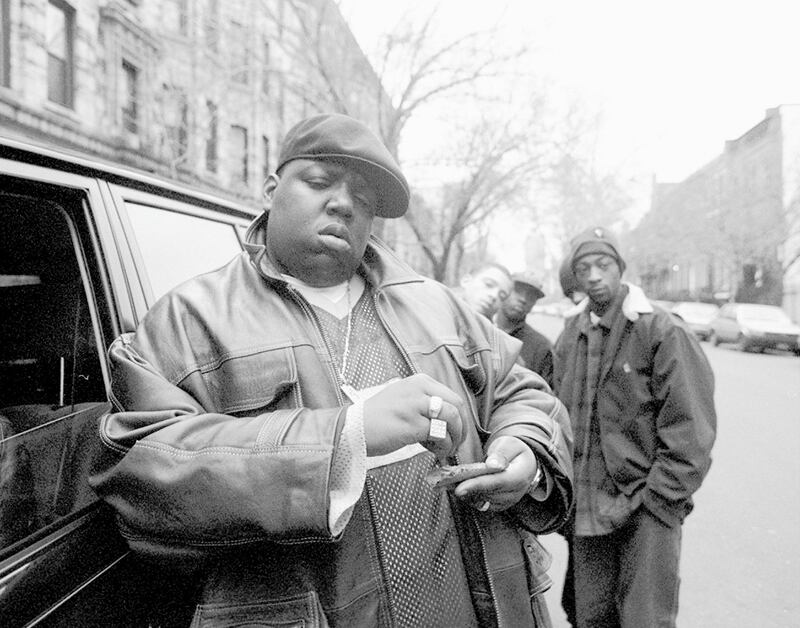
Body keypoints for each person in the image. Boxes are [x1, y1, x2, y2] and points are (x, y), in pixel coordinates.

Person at [90, 113, 574, 627]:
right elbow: (142, 471)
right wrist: (346, 437)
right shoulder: (189, 320)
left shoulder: (436, 304)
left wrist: (524, 450)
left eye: (362, 200)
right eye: (319, 182)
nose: (343, 203)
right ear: (271, 188)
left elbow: (523, 392)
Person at [552, 226, 716, 628]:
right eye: (584, 267)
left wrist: (659, 501)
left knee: (645, 619)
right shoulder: (572, 333)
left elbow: (690, 426)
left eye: (603, 264)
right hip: (588, 507)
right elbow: (558, 414)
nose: (593, 275)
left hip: (646, 506)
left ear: (620, 268)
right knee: (589, 617)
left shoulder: (661, 329)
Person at [494, 272, 554, 388]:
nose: (523, 299)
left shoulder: (541, 347)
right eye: (518, 291)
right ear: (504, 291)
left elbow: (543, 396)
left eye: (531, 296)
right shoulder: (483, 330)